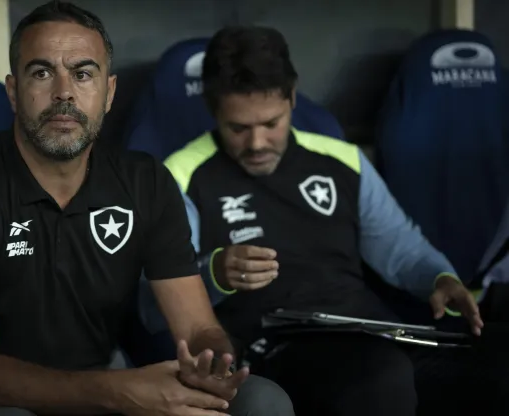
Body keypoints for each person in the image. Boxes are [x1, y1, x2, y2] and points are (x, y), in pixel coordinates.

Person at [0, 2, 294, 415]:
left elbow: (197, 327)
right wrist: (118, 390)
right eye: (41, 73)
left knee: (260, 402)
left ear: (108, 93)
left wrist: (211, 364)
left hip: (102, 384)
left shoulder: (145, 182)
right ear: (14, 93)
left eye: (83, 73)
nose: (64, 92)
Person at [141, 25, 509, 416]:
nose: (257, 144)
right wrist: (213, 270)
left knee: (497, 369)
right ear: (214, 110)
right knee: (380, 380)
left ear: (292, 99)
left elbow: (400, 249)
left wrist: (440, 278)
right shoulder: (180, 176)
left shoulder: (342, 160)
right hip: (279, 347)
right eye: (239, 128)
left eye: (271, 123)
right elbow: (151, 299)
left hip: (374, 333)